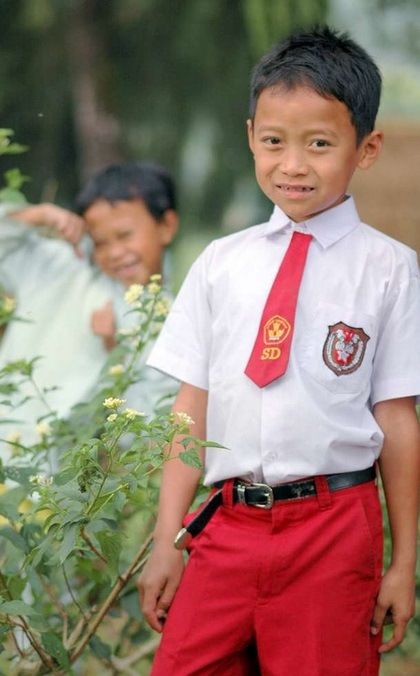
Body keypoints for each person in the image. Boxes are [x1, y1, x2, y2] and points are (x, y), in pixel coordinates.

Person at [137, 26, 420, 675]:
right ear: (250, 139)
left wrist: (402, 564)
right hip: (226, 528)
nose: (293, 165)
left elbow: (398, 422)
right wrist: (166, 540)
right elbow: (190, 408)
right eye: (273, 142)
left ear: (366, 148)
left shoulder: (389, 270)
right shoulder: (218, 264)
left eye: (319, 144)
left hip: (334, 530)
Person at [0, 162, 178, 458]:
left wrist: (116, 350)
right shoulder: (62, 267)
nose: (115, 253)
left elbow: (142, 431)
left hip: (49, 483)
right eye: (101, 242)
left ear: (166, 226)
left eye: (125, 235)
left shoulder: (168, 322)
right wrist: (39, 215)